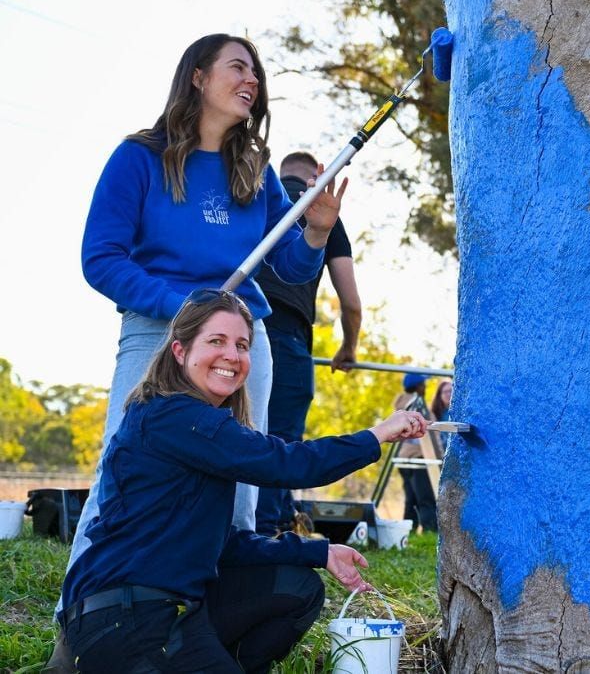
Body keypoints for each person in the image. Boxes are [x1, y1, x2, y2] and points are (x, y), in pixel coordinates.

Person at [54, 34, 349, 670]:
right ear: (196, 76)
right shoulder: (139, 158)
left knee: (240, 484)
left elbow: (290, 268)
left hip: (244, 334)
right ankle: (72, 634)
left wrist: (317, 232)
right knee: (120, 474)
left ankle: (203, 627)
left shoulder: (256, 171)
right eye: (238, 67)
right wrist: (184, 308)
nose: (252, 81)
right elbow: (101, 257)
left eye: (256, 72)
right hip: (158, 327)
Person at [57, 291, 428, 672]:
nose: (232, 356)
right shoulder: (175, 416)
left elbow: (221, 545)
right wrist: (376, 435)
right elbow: (288, 464)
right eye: (216, 341)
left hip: (174, 610)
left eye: (242, 345)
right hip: (126, 620)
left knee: (296, 586)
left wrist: (319, 552)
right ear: (180, 351)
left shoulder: (198, 427)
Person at [255, 151, 363, 536]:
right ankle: (267, 536)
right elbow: (350, 303)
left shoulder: (255, 195)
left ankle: (270, 522)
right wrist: (348, 348)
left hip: (232, 327)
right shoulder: (322, 210)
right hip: (285, 335)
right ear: (310, 176)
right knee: (280, 442)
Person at [393, 374, 439, 532]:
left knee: (411, 499)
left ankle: (407, 532)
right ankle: (430, 531)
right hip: (418, 458)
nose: (425, 387)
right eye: (423, 384)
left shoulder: (402, 407)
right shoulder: (417, 407)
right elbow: (428, 436)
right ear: (418, 386)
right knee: (426, 498)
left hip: (404, 459)